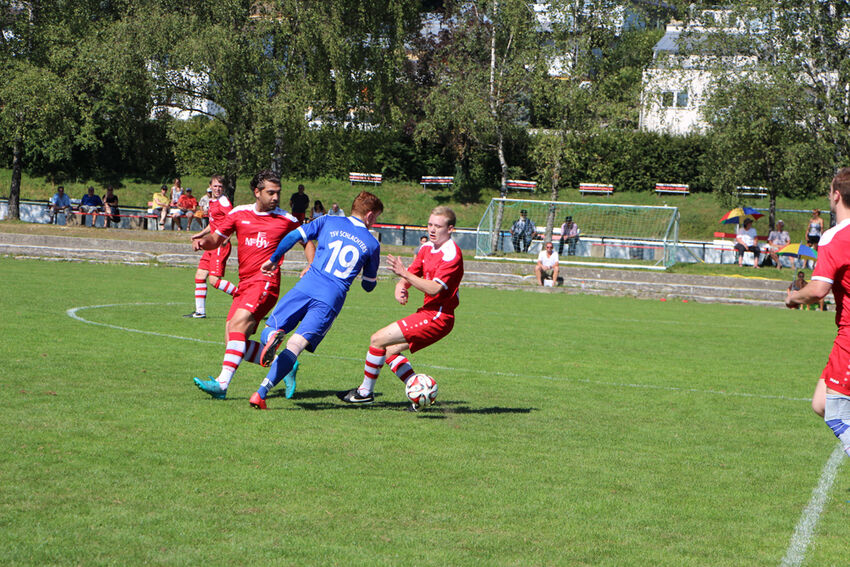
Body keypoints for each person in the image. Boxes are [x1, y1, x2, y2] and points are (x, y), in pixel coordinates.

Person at [247, 191, 384, 410]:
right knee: (296, 345)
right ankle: (260, 393)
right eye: (375, 217)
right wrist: (368, 274)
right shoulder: (372, 243)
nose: (374, 221)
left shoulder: (327, 220)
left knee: (271, 327)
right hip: (330, 297)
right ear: (369, 215)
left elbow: (293, 236)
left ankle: (272, 337)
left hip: (307, 285)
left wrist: (273, 259)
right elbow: (368, 285)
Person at [192, 170, 315, 400]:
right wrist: (202, 242)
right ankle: (283, 364)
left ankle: (221, 385)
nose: (276, 197)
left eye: (278, 193)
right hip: (245, 284)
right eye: (271, 193)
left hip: (266, 282)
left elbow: (307, 240)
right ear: (257, 192)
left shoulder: (286, 219)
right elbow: (216, 239)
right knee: (233, 340)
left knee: (238, 326)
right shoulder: (239, 213)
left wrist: (310, 264)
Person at [337, 206, 463, 410]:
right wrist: (401, 285)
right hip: (429, 313)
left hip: (439, 316)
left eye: (438, 226)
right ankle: (420, 392)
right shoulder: (426, 248)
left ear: (450, 229)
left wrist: (404, 275)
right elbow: (413, 272)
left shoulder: (451, 255)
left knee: (377, 339)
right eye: (430, 224)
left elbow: (434, 288)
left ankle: (364, 393)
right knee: (388, 351)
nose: (432, 230)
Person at [787, 167, 850, 458]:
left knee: (837, 415)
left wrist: (793, 298)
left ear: (836, 195)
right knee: (821, 403)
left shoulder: (834, 237)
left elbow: (817, 290)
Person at [184, 176, 238, 319]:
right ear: (210, 187)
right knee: (200, 276)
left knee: (214, 281)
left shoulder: (223, 201)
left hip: (220, 245)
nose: (217, 189)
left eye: (220, 186)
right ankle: (200, 312)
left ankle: (242, 297)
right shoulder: (212, 202)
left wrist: (228, 236)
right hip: (212, 244)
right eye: (215, 186)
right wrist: (199, 234)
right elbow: (213, 224)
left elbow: (233, 219)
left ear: (223, 188)